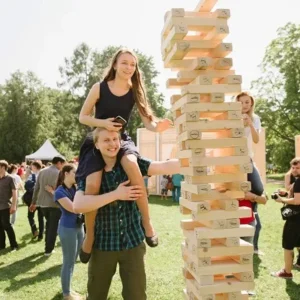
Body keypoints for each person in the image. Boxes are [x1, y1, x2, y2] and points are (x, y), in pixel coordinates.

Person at [76, 48, 172, 262]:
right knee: (93, 183)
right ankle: (89, 236)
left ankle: (146, 222)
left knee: (131, 163)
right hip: (98, 139)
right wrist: (103, 123)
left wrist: (159, 127)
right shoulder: (99, 88)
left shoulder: (135, 89)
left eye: (132, 64)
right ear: (115, 65)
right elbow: (83, 117)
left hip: (121, 139)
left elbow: (149, 122)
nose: (129, 67)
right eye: (125, 63)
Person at [73, 128, 180, 300]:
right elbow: (78, 206)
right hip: (103, 245)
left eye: (115, 139)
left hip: (133, 242)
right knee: (96, 295)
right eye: (106, 140)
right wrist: (116, 194)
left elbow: (164, 166)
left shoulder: (133, 164)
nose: (112, 144)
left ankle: (148, 224)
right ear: (97, 144)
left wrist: (194, 159)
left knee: (136, 295)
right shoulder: (89, 172)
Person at [236, 92, 264, 255]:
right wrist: (240, 124)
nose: (245, 105)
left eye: (248, 102)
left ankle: (252, 207)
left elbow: (255, 139)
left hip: (248, 160)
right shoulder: (232, 118)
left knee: (259, 189)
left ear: (251, 104)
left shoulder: (255, 118)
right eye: (241, 103)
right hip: (235, 162)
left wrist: (250, 124)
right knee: (239, 192)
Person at [53, 164, 84, 300]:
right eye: (74, 172)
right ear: (66, 173)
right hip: (68, 228)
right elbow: (74, 208)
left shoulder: (75, 188)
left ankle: (69, 289)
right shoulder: (59, 192)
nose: (77, 175)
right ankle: (66, 294)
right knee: (68, 261)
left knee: (73, 260)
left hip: (79, 227)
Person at [30, 156, 66, 256]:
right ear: (59, 163)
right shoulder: (59, 173)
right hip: (55, 204)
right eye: (63, 164)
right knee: (52, 227)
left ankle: (48, 246)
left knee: (49, 225)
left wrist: (33, 202)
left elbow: (36, 188)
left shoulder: (41, 171)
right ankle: (48, 250)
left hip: (42, 204)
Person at [271, 157, 300, 279]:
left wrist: (281, 199)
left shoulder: (299, 182)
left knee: (288, 244)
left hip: (295, 218)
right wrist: (286, 193)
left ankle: (287, 272)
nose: (294, 170)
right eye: (293, 167)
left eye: (298, 168)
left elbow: (297, 201)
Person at [0, 160, 18, 251]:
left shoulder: (10, 178)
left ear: (3, 167)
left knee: (6, 225)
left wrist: (14, 205)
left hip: (5, 206)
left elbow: (15, 193)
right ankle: (1, 245)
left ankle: (14, 245)